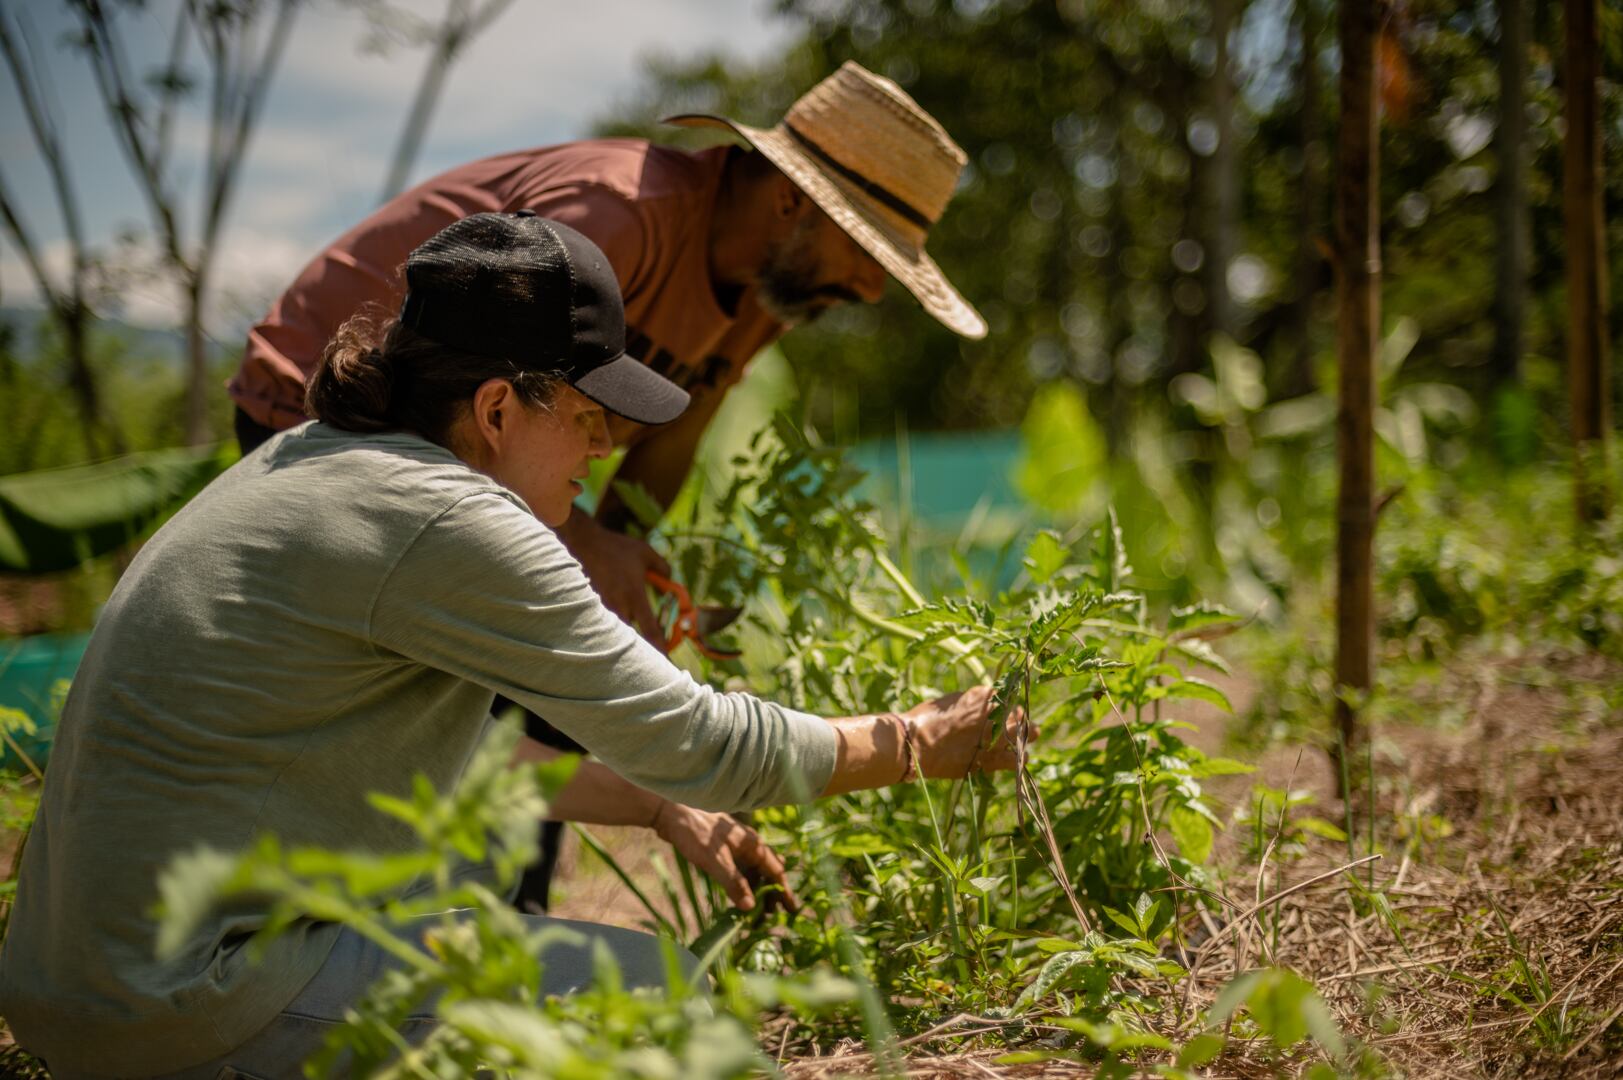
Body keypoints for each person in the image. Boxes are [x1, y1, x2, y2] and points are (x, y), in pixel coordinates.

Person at [0, 213, 1025, 1078]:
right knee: (663, 997)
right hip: (186, 1006)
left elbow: (469, 762)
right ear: (496, 408)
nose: (604, 450)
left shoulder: (314, 468)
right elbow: (702, 736)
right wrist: (917, 740)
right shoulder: (448, 520)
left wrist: (662, 808)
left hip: (72, 991)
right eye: (585, 417)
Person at [227, 60, 990, 912]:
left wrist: (626, 570)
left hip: (488, 459)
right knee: (436, 693)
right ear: (791, 203)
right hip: (330, 417)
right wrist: (585, 550)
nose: (872, 285)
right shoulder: (614, 218)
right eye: (867, 248)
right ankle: (389, 930)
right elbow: (482, 415)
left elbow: (670, 440)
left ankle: (502, 926)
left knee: (554, 667)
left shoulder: (763, 299)